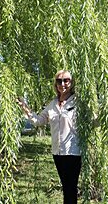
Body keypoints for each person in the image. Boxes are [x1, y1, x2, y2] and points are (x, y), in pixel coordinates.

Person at [17, 70, 81, 204]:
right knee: (66, 186)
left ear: (72, 82)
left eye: (66, 80)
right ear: (55, 84)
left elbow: (92, 121)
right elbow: (39, 121)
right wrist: (25, 107)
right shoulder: (52, 104)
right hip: (57, 152)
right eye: (59, 81)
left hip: (73, 152)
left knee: (71, 188)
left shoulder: (78, 102)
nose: (62, 84)